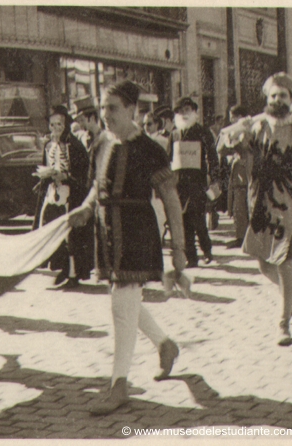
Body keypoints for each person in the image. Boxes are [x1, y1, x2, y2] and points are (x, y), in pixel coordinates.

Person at [68, 80, 186, 415]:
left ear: (132, 109)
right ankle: (165, 345)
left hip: (137, 232)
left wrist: (178, 250)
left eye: (113, 108)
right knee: (126, 300)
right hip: (106, 230)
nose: (105, 115)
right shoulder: (101, 143)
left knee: (122, 304)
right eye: (103, 108)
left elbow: (172, 202)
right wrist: (87, 207)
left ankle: (118, 384)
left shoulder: (151, 149)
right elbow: (96, 186)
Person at [219, 72, 292, 346]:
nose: (278, 100)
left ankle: (284, 323)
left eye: (284, 96)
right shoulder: (256, 127)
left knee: (284, 262)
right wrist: (241, 125)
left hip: (290, 206)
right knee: (263, 264)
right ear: (267, 99)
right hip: (260, 201)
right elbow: (224, 144)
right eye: (274, 96)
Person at [33, 105, 93, 289]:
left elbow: (84, 175)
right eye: (52, 125)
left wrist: (67, 177)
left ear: (65, 124)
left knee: (71, 234)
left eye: (59, 124)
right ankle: (63, 268)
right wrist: (44, 178)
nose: (55, 129)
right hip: (53, 193)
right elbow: (47, 164)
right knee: (51, 229)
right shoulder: (48, 145)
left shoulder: (74, 145)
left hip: (71, 195)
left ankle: (74, 274)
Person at [168, 97, 219, 267]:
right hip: (179, 184)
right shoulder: (174, 134)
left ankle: (207, 251)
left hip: (197, 183)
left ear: (195, 112)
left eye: (188, 110)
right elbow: (169, 159)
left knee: (198, 220)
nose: (184, 114)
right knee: (183, 221)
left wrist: (214, 178)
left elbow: (212, 157)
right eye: (180, 111)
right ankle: (191, 257)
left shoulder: (203, 132)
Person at [218, 104, 251, 248]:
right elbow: (221, 149)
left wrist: (237, 139)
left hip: (250, 170)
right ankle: (240, 236)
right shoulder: (233, 130)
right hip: (238, 173)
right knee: (238, 206)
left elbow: (247, 146)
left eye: (234, 117)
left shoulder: (251, 129)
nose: (232, 121)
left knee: (249, 205)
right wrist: (227, 138)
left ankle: (250, 237)